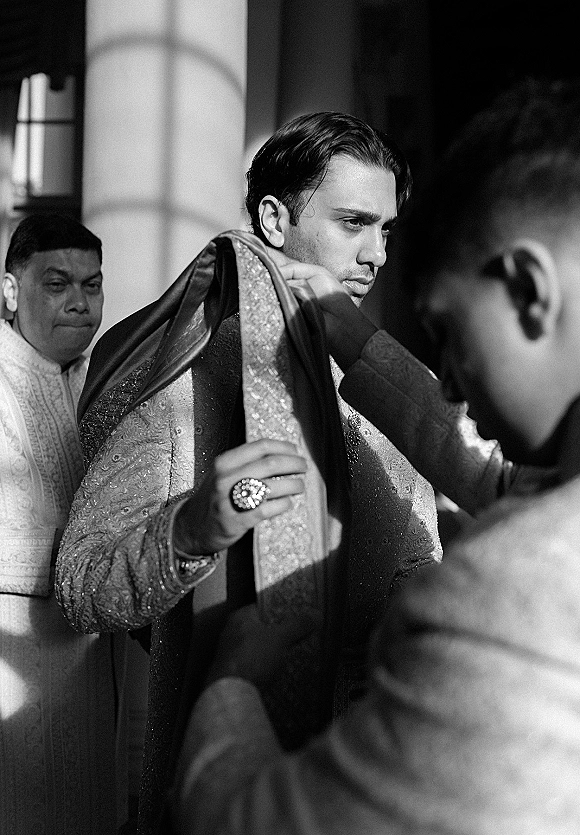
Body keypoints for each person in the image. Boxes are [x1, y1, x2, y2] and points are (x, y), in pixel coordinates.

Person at [56, 113, 523, 834]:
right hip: (246, 778)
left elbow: (467, 499)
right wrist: (191, 526)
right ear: (274, 218)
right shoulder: (188, 390)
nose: (375, 255)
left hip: (401, 777)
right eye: (354, 223)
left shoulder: (381, 383)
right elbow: (82, 586)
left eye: (387, 230)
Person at [170, 77, 580, 834]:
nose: (449, 382)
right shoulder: (197, 375)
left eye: (448, 332)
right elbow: (494, 472)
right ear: (272, 219)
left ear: (528, 288)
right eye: (354, 222)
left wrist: (230, 680)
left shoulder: (502, 594)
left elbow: (257, 820)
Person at [0, 213, 123, 834]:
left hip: (91, 663)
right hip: (10, 663)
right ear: (11, 290)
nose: (80, 302)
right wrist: (106, 562)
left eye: (92, 284)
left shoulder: (102, 382)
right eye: (57, 284)